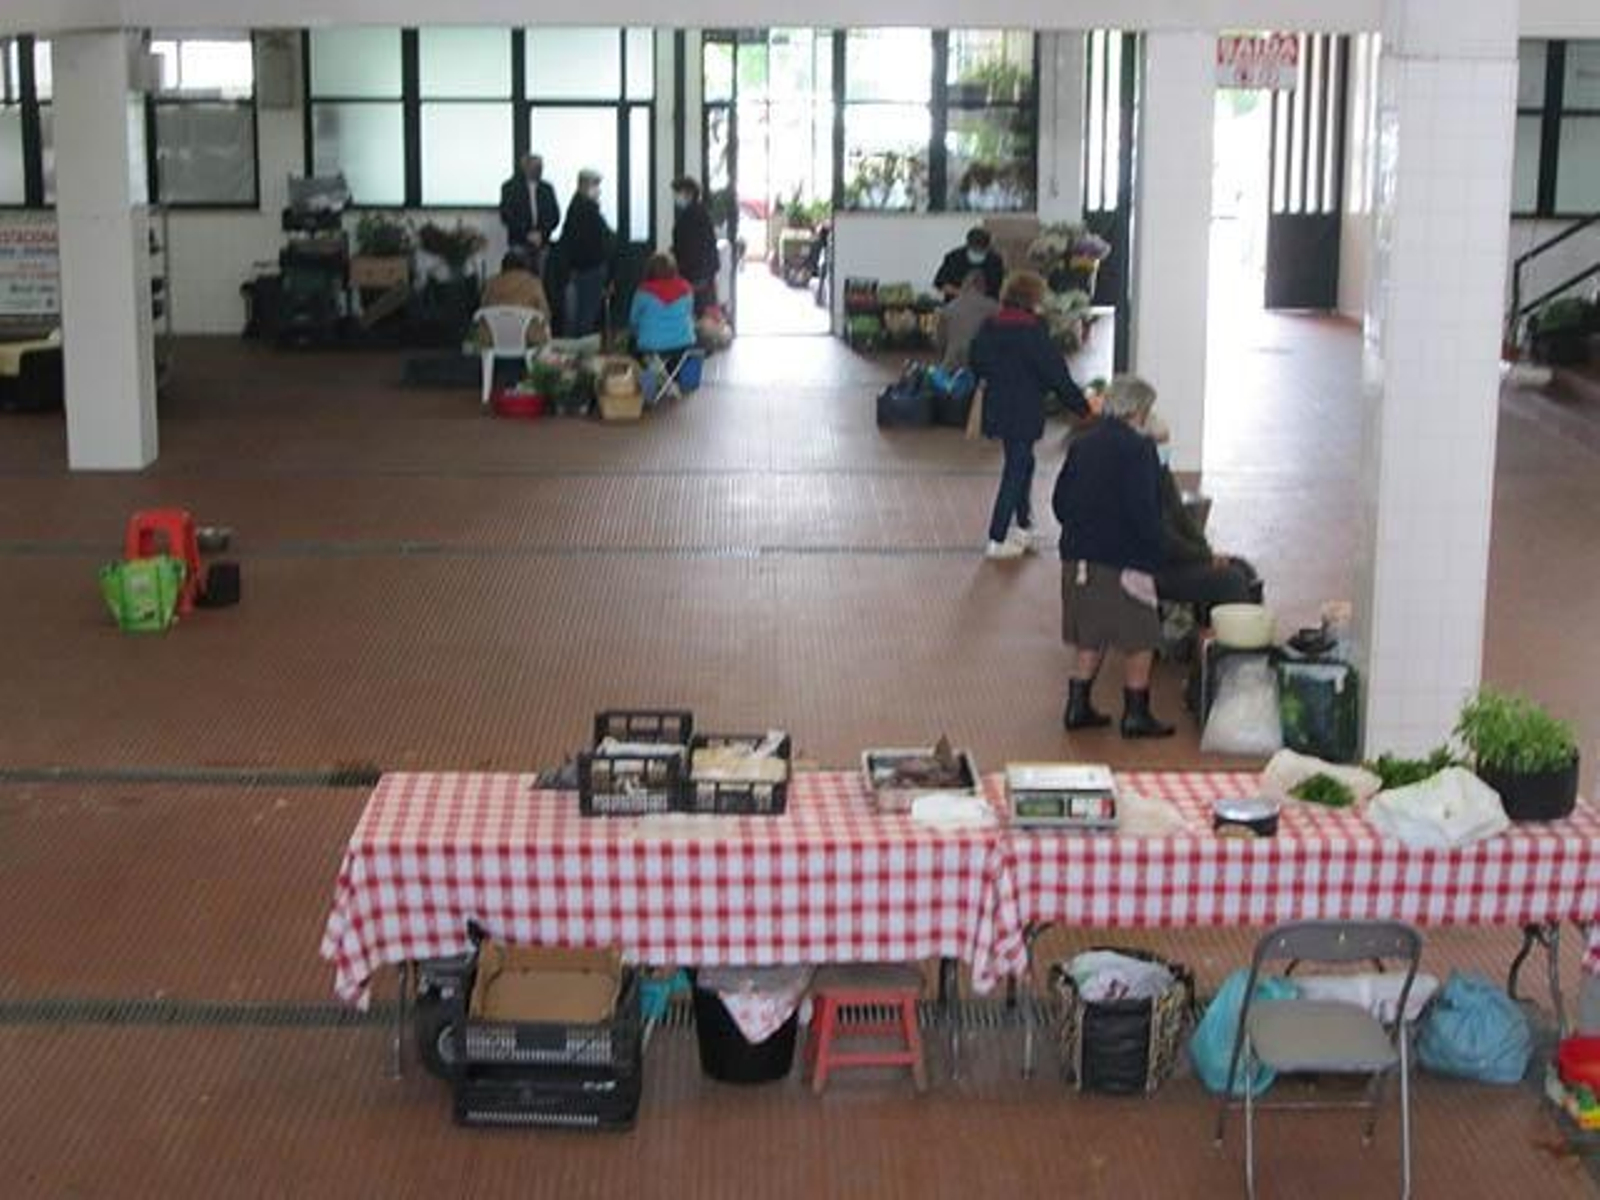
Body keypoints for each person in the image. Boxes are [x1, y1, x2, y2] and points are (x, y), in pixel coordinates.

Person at [1052, 374, 1175, 739]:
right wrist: (1159, 552)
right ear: (1138, 410)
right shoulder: (1139, 450)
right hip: (1121, 561)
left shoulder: (1082, 444)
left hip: (1077, 559)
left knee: (1091, 634)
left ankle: (1077, 706)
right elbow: (1144, 512)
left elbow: (1060, 503)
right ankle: (1136, 714)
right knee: (1142, 635)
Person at [968, 270, 1094, 561]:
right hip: (1024, 410)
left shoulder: (990, 326)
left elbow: (976, 360)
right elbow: (1056, 375)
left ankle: (1024, 525)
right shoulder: (1033, 332)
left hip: (998, 406)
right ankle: (997, 537)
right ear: (1033, 298)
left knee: (1023, 462)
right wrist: (1083, 408)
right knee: (1016, 469)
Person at [1141, 406, 1262, 610]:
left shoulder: (1161, 473)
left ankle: (1244, 622)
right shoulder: (1138, 484)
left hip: (1176, 558)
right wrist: (1205, 557)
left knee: (1243, 568)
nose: (1165, 449)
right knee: (1231, 580)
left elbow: (1181, 517)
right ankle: (1235, 626)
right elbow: (1164, 540)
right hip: (1155, 569)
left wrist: (1206, 551)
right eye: (1160, 443)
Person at [560, 169, 613, 338]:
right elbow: (598, 239)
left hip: (579, 268)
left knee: (577, 314)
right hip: (590, 269)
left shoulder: (576, 206)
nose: (598, 190)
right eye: (595, 185)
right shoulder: (586, 208)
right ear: (584, 185)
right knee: (586, 315)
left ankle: (576, 346)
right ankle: (583, 347)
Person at [629, 252, 696, 371]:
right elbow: (689, 314)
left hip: (650, 347)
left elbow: (633, 321)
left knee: (632, 347)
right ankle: (678, 379)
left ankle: (649, 380)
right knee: (686, 351)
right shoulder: (686, 288)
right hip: (683, 345)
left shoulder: (642, 291)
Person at [498, 154, 561, 273]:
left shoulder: (547, 188)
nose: (539, 170)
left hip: (543, 242)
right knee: (520, 274)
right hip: (519, 240)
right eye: (535, 167)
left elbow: (555, 216)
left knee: (545, 273)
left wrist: (541, 233)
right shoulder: (510, 188)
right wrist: (527, 234)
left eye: (540, 167)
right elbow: (507, 215)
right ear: (525, 167)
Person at [670, 176, 720, 316]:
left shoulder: (691, 216)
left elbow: (691, 248)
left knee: (697, 313)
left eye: (677, 193)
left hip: (695, 274)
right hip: (702, 272)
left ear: (689, 194)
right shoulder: (700, 213)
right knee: (701, 313)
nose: (675, 198)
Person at [477, 252, 551, 347]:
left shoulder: (490, 282)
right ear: (525, 266)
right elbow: (546, 314)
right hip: (527, 338)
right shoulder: (534, 283)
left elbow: (482, 310)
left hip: (492, 338)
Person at [936, 269, 1000, 370]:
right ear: (983, 286)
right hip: (981, 368)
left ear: (964, 285)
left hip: (951, 366)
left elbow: (941, 343)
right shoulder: (994, 308)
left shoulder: (949, 308)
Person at [934, 227, 1004, 300]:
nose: (978, 251)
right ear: (968, 244)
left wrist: (978, 295)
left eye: (982, 249)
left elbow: (996, 286)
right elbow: (940, 283)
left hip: (985, 302)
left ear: (987, 247)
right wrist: (960, 293)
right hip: (957, 302)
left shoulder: (995, 260)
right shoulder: (954, 257)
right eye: (975, 249)